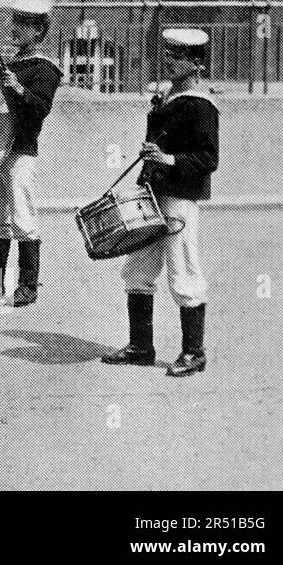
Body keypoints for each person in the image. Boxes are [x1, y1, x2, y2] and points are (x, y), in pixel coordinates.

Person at [103, 28, 217, 378]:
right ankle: (141, 346)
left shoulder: (201, 105)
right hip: (153, 192)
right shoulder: (169, 96)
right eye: (167, 53)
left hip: (180, 198)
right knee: (138, 268)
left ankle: (194, 352)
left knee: (183, 270)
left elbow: (209, 158)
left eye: (177, 56)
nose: (168, 60)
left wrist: (168, 160)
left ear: (196, 63)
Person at [0, 0, 62, 306]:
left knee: (23, 216)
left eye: (23, 24)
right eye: (15, 22)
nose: (14, 29)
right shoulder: (13, 66)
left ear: (38, 31)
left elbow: (40, 109)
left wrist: (19, 89)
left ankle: (28, 285)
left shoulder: (45, 69)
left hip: (20, 150)